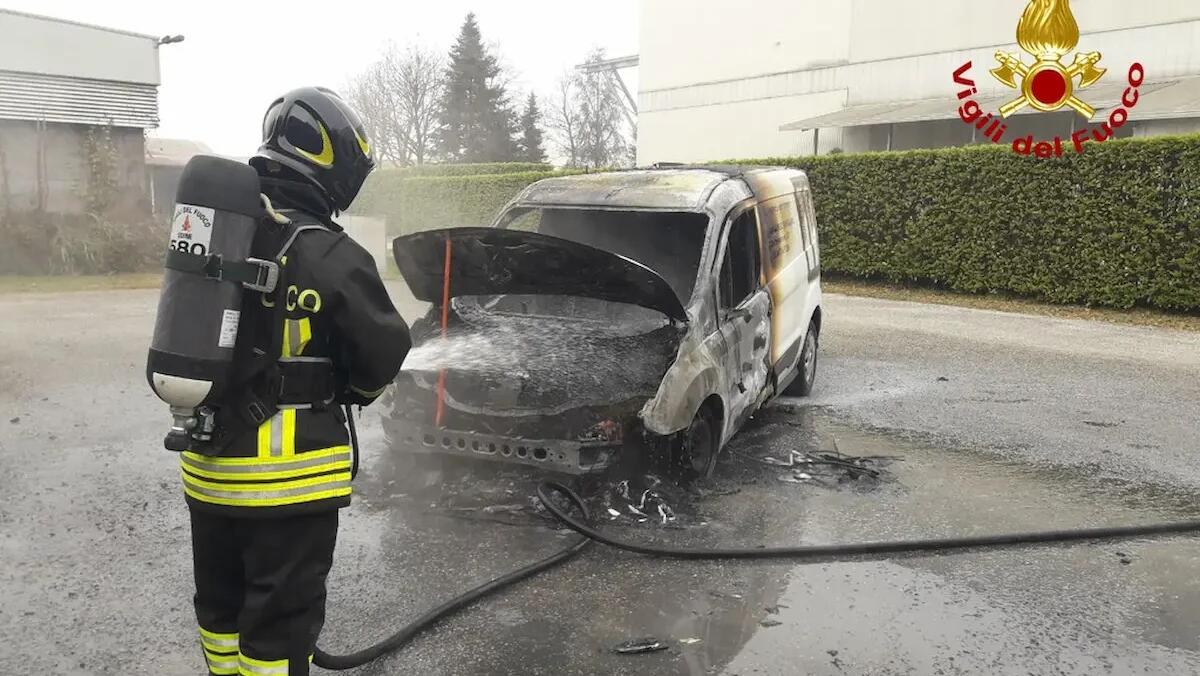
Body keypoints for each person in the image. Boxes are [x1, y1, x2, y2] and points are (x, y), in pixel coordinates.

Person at [180, 87, 410, 676]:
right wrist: (351, 389)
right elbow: (384, 352)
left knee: (222, 607)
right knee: (280, 627)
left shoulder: (222, 235)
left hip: (207, 471)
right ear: (333, 163)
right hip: (287, 481)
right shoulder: (329, 252)